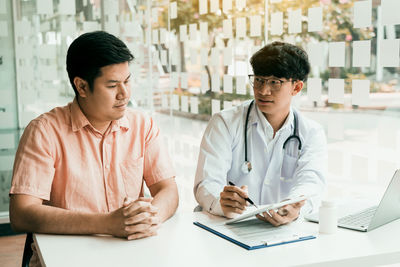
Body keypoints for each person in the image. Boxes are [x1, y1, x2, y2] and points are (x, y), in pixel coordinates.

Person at [9, 31, 178, 265]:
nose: (124, 94)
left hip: (132, 255)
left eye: (127, 81)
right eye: (112, 85)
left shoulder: (143, 125)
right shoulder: (44, 131)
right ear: (82, 86)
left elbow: (168, 190)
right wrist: (107, 223)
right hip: (66, 259)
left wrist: (148, 218)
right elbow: (21, 213)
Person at [194, 41, 326, 226]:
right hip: (229, 226)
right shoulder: (225, 123)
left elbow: (311, 181)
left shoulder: (311, 132)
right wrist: (221, 201)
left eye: (275, 82)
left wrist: (295, 207)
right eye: (259, 80)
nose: (263, 91)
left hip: (283, 230)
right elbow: (206, 183)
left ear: (296, 88)